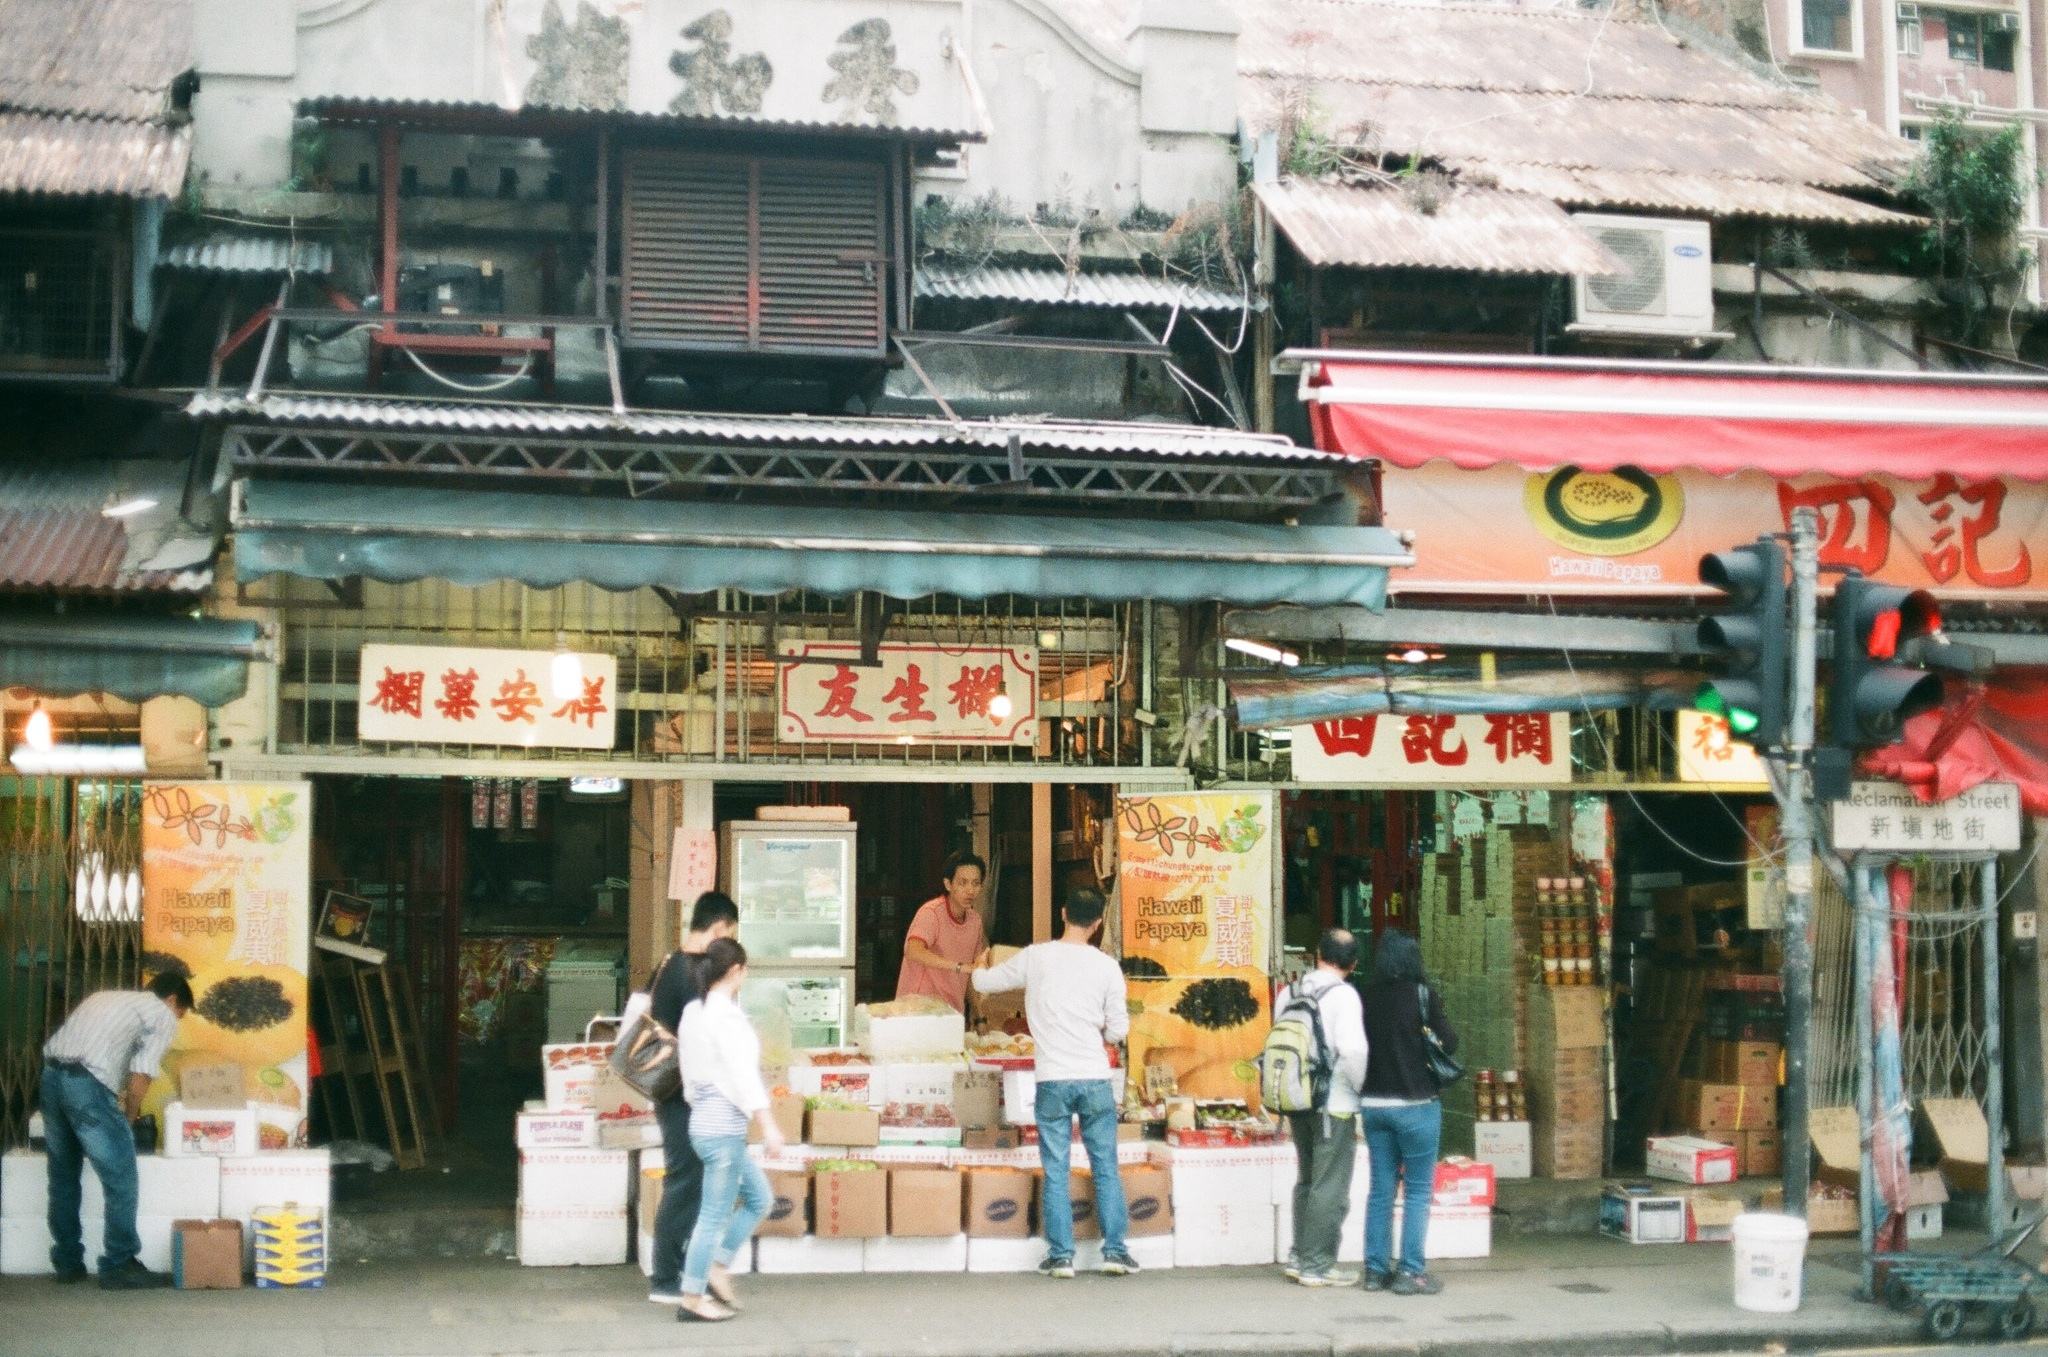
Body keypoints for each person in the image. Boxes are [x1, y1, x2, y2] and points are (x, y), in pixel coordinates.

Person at [970, 885, 1139, 1279]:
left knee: (1057, 1167)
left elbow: (984, 984)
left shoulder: (1036, 957)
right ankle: (1115, 1251)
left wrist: (978, 966)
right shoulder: (1107, 966)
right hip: (1095, 1078)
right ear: (1097, 923)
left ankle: (1061, 1256)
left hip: (1052, 1080)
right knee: (1105, 1166)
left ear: (1063, 913)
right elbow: (1118, 1031)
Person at [41, 970, 191, 1288]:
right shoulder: (161, 1013)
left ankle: (67, 1263)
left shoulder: (104, 997)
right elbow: (142, 1073)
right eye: (182, 1013)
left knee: (63, 1178)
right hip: (86, 1086)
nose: (178, 1020)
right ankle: (119, 1263)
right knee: (120, 1175)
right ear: (173, 1000)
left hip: (51, 1079)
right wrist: (130, 1115)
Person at [674, 937, 783, 1323]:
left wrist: (700, 1099)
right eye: (746, 969)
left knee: (760, 1198)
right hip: (722, 1129)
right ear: (736, 971)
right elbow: (743, 1076)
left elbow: (687, 1070)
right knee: (713, 1216)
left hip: (704, 1120)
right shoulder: (728, 1018)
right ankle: (691, 1296)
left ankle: (717, 1266)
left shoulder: (693, 1012)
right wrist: (768, 1125)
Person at [641, 890, 739, 1307]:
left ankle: (679, 1268)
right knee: (684, 1181)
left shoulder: (668, 963)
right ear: (717, 928)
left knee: (688, 1179)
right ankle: (665, 1278)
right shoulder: (693, 972)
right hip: (682, 1092)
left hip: (673, 1088)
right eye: (729, 935)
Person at [1358, 930, 1458, 1296]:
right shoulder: (1422, 995)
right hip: (1417, 1105)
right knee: (1417, 1191)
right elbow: (1450, 1042)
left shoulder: (1364, 996)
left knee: (1380, 1191)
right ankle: (1410, 1273)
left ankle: (1374, 1271)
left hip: (1374, 1106)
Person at [1278, 928, 1370, 1287]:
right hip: (1334, 1102)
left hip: (1296, 1098)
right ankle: (1317, 1265)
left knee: (1306, 1178)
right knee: (1329, 1185)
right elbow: (1353, 1052)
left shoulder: (1290, 991)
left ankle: (1299, 1255)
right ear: (1354, 963)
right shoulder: (1344, 996)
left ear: (1317, 954)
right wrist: (1362, 1092)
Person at [894, 851, 987, 1013]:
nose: (970, 890)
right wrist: (959, 966)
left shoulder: (975, 921)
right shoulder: (931, 912)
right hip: (917, 1010)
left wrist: (979, 1015)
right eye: (963, 883)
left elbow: (972, 972)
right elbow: (913, 950)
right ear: (948, 884)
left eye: (976, 883)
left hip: (951, 1013)